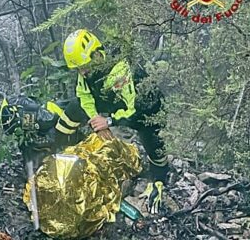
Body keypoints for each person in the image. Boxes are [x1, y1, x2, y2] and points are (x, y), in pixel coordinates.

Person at [60, 29, 169, 213]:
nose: (83, 72)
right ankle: (60, 153)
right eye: (78, 69)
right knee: (73, 108)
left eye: (84, 66)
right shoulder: (86, 67)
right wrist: (96, 120)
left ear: (97, 53)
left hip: (145, 109)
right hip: (112, 102)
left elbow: (135, 109)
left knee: (153, 143)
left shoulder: (120, 68)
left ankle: (159, 180)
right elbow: (83, 95)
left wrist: (108, 122)